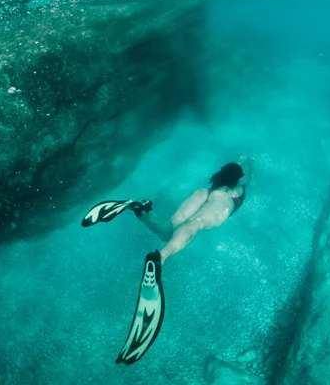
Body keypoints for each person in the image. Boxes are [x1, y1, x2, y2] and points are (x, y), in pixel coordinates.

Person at [81, 156, 254, 365]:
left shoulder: (207, 188)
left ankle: (143, 212)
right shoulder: (239, 190)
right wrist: (250, 166)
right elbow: (250, 180)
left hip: (203, 194)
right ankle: (161, 258)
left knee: (168, 228)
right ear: (238, 178)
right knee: (196, 224)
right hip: (224, 202)